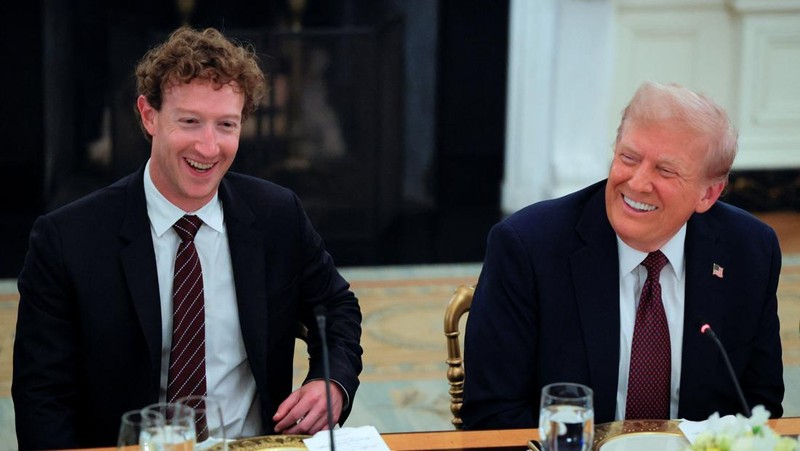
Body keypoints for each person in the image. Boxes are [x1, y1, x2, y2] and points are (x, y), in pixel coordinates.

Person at [12, 26, 363, 449]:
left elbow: (337, 306)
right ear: (148, 116)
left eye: (226, 125)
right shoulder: (66, 240)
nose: (209, 147)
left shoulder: (277, 214)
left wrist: (332, 381)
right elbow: (41, 400)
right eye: (190, 122)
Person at [461, 81, 784, 429]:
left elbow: (758, 406)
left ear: (709, 193)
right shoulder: (528, 248)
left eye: (665, 170)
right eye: (628, 158)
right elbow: (492, 416)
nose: (637, 183)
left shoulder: (749, 251)